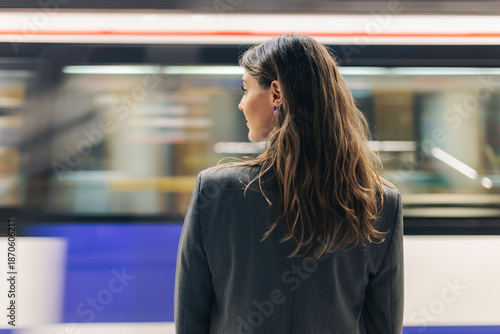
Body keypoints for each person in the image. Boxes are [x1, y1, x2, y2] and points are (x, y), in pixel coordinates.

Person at [174, 34, 403, 334]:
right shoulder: (379, 203)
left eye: (246, 88)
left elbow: (191, 320)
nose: (242, 104)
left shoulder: (215, 192)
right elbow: (383, 326)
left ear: (276, 94)